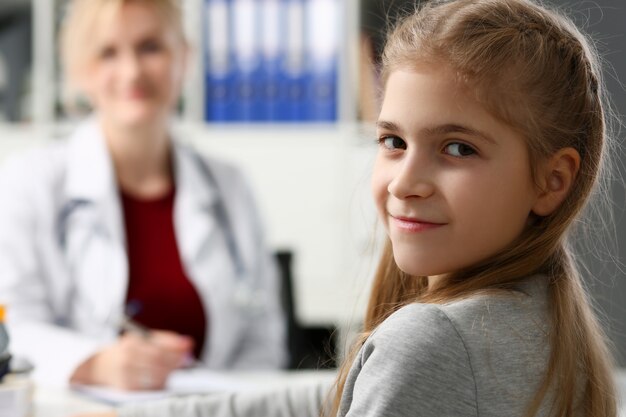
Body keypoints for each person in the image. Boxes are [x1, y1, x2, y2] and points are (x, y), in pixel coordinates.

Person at [79, 0, 619, 415]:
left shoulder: (431, 342)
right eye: (392, 142)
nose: (405, 183)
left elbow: (392, 374)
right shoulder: (543, 323)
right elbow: (329, 397)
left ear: (551, 181)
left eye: (458, 148)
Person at [0, 0, 287, 390]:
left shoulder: (230, 185)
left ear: (184, 57)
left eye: (150, 46)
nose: (132, 71)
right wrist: (95, 364)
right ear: (81, 70)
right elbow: (13, 330)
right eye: (108, 52)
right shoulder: (30, 182)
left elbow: (263, 341)